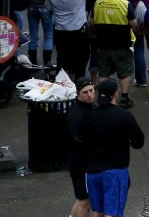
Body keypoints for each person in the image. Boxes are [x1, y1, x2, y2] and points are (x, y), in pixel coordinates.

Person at [79, 78, 145, 217]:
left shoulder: (88, 116)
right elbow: (138, 142)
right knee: (112, 213)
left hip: (92, 173)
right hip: (115, 172)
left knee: (97, 211)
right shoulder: (124, 116)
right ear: (115, 94)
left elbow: (81, 141)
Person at [67, 77, 96, 217]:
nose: (90, 94)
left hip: (82, 164)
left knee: (81, 200)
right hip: (82, 166)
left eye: (91, 90)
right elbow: (77, 139)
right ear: (78, 93)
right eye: (85, 92)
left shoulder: (89, 108)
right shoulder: (77, 114)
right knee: (85, 202)